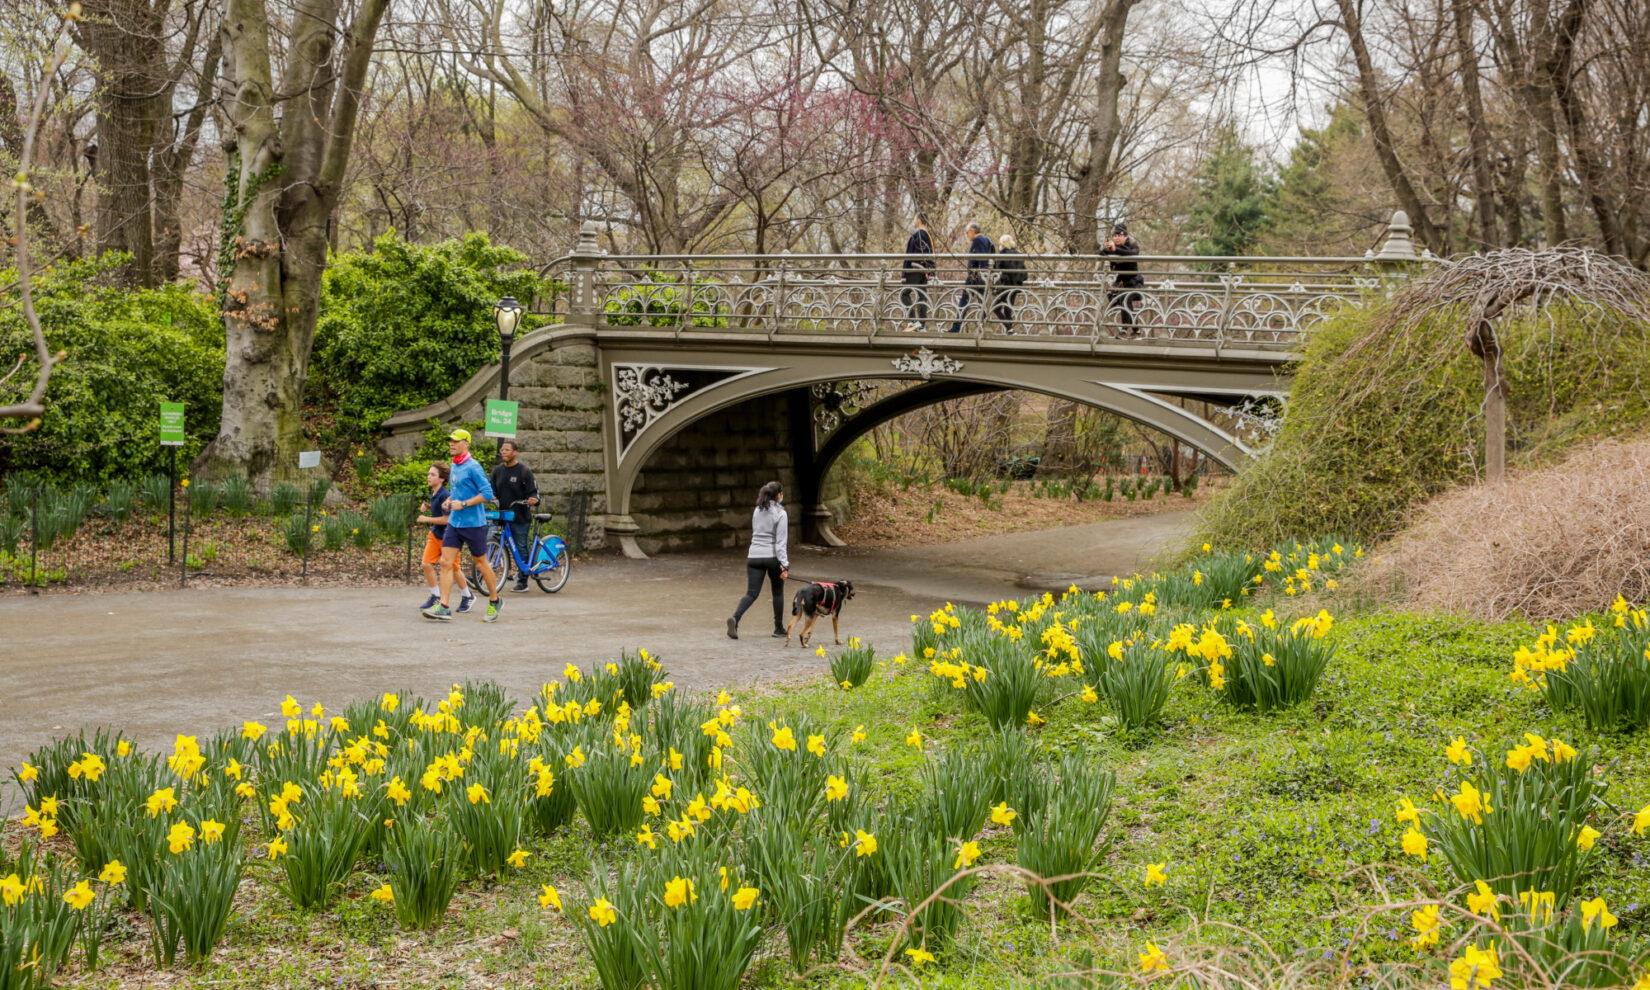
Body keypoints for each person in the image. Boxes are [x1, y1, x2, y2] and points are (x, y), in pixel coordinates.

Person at [422, 429, 502, 622]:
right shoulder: (454, 465)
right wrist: (449, 500)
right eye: (450, 441)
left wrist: (464, 504)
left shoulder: (474, 467)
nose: (452, 443)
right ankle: (444, 606)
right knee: (445, 562)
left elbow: (487, 493)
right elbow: (459, 491)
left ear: (466, 443)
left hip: (474, 524)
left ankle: (494, 601)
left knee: (481, 564)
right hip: (455, 523)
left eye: (456, 441)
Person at [726, 480, 789, 640]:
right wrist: (785, 565)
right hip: (772, 557)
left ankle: (736, 618)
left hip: (754, 555)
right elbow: (781, 543)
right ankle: (778, 628)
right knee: (777, 592)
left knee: (751, 593)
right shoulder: (781, 513)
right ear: (779, 495)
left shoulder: (757, 510)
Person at [415, 463, 475, 613]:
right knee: (426, 564)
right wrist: (428, 507)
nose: (429, 477)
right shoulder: (434, 493)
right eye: (429, 474)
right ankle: (436, 595)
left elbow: (447, 519)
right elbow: (438, 510)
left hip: (449, 537)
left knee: (454, 569)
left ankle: (467, 596)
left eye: (433, 475)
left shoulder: (445, 495)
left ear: (441, 479)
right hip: (435, 535)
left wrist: (426, 518)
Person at [489, 440, 540, 593]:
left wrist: (534, 500)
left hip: (519, 517)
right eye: (502, 449)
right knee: (489, 544)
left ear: (515, 452)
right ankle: (479, 575)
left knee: (521, 547)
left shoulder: (524, 471)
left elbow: (534, 492)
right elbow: (491, 490)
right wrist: (490, 497)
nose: (503, 452)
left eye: (507, 449)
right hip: (501, 516)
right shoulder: (497, 471)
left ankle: (523, 581)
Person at [945, 222, 994, 333]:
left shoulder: (978, 240)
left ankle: (956, 328)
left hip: (975, 277)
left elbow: (981, 258)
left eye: (967, 233)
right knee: (982, 302)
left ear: (972, 231)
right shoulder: (987, 240)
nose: (967, 235)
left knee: (964, 301)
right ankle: (986, 327)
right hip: (982, 277)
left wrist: (981, 271)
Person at [1099, 220, 1145, 336]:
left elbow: (1133, 254)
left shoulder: (1132, 245)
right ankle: (1136, 329)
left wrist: (1115, 250)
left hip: (1134, 282)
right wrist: (1107, 249)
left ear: (1126, 236)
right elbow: (1101, 253)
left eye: (1119, 235)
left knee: (1125, 299)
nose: (1117, 238)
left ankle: (1124, 329)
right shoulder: (1114, 247)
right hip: (1121, 282)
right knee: (1120, 300)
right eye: (1115, 236)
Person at [900, 214, 935, 331]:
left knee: (904, 294)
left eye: (914, 219)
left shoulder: (917, 235)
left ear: (919, 220)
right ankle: (922, 325)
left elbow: (909, 255)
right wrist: (930, 271)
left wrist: (904, 274)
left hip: (914, 268)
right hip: (923, 270)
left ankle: (914, 321)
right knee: (922, 296)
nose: (913, 221)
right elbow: (929, 254)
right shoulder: (928, 236)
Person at [992, 233, 1028, 333]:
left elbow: (997, 270)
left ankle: (1010, 329)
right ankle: (1011, 331)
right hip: (1015, 286)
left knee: (995, 308)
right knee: (1008, 309)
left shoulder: (1003, 254)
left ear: (1003, 244)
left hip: (1005, 286)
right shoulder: (1019, 255)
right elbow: (1025, 275)